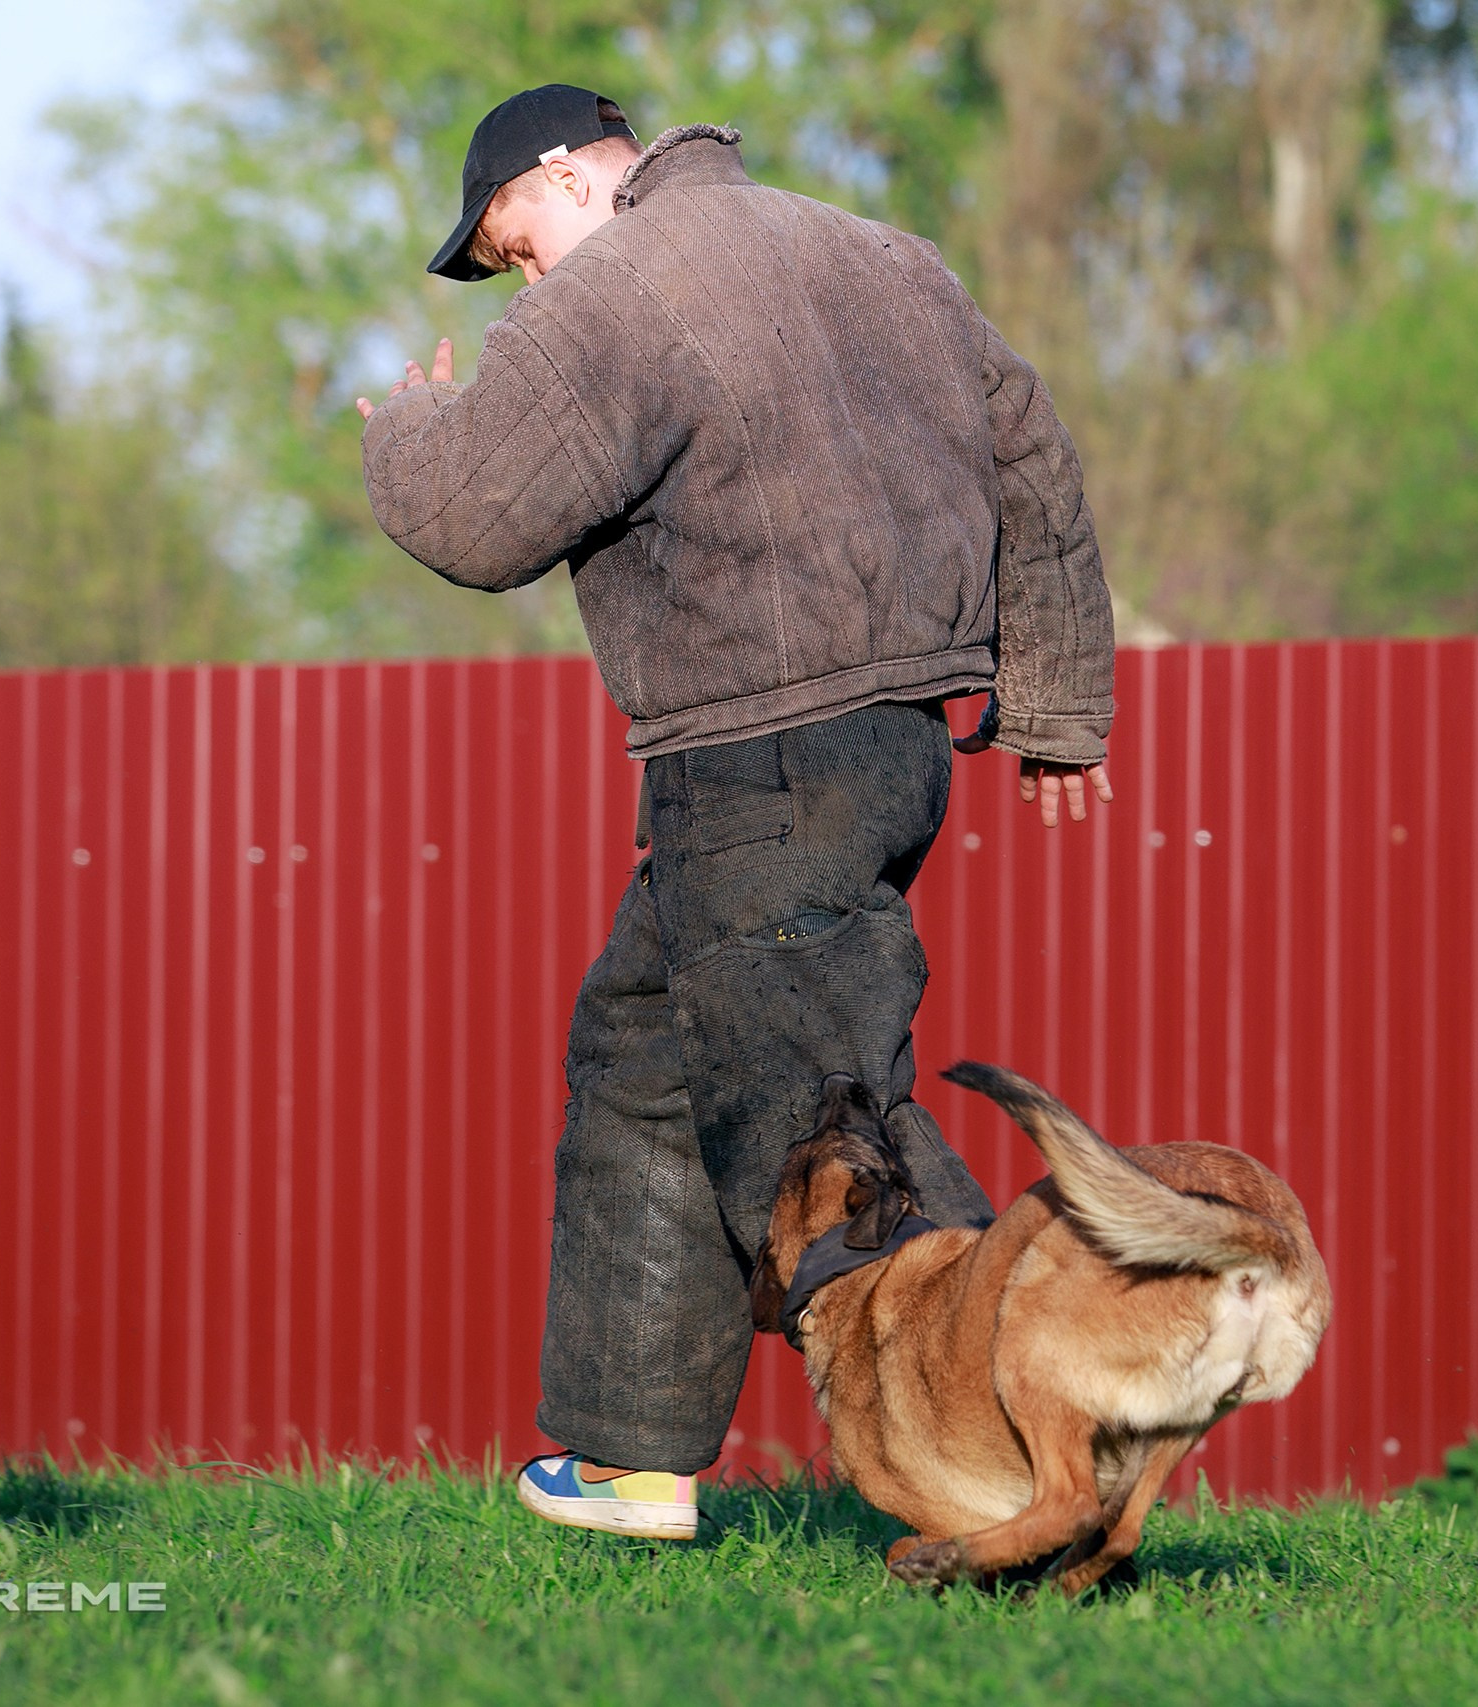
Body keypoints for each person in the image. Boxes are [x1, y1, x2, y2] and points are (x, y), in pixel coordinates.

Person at [356, 83, 1115, 1541]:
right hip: (893, 748)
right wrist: (1058, 704)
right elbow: (1036, 459)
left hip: (758, 761)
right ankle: (629, 1458)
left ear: (571, 177)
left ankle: (1028, 1457)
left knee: (824, 1138)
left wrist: (408, 428)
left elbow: (474, 518)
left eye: (510, 244)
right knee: (646, 1052)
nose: (520, 277)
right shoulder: (889, 258)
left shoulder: (620, 290)